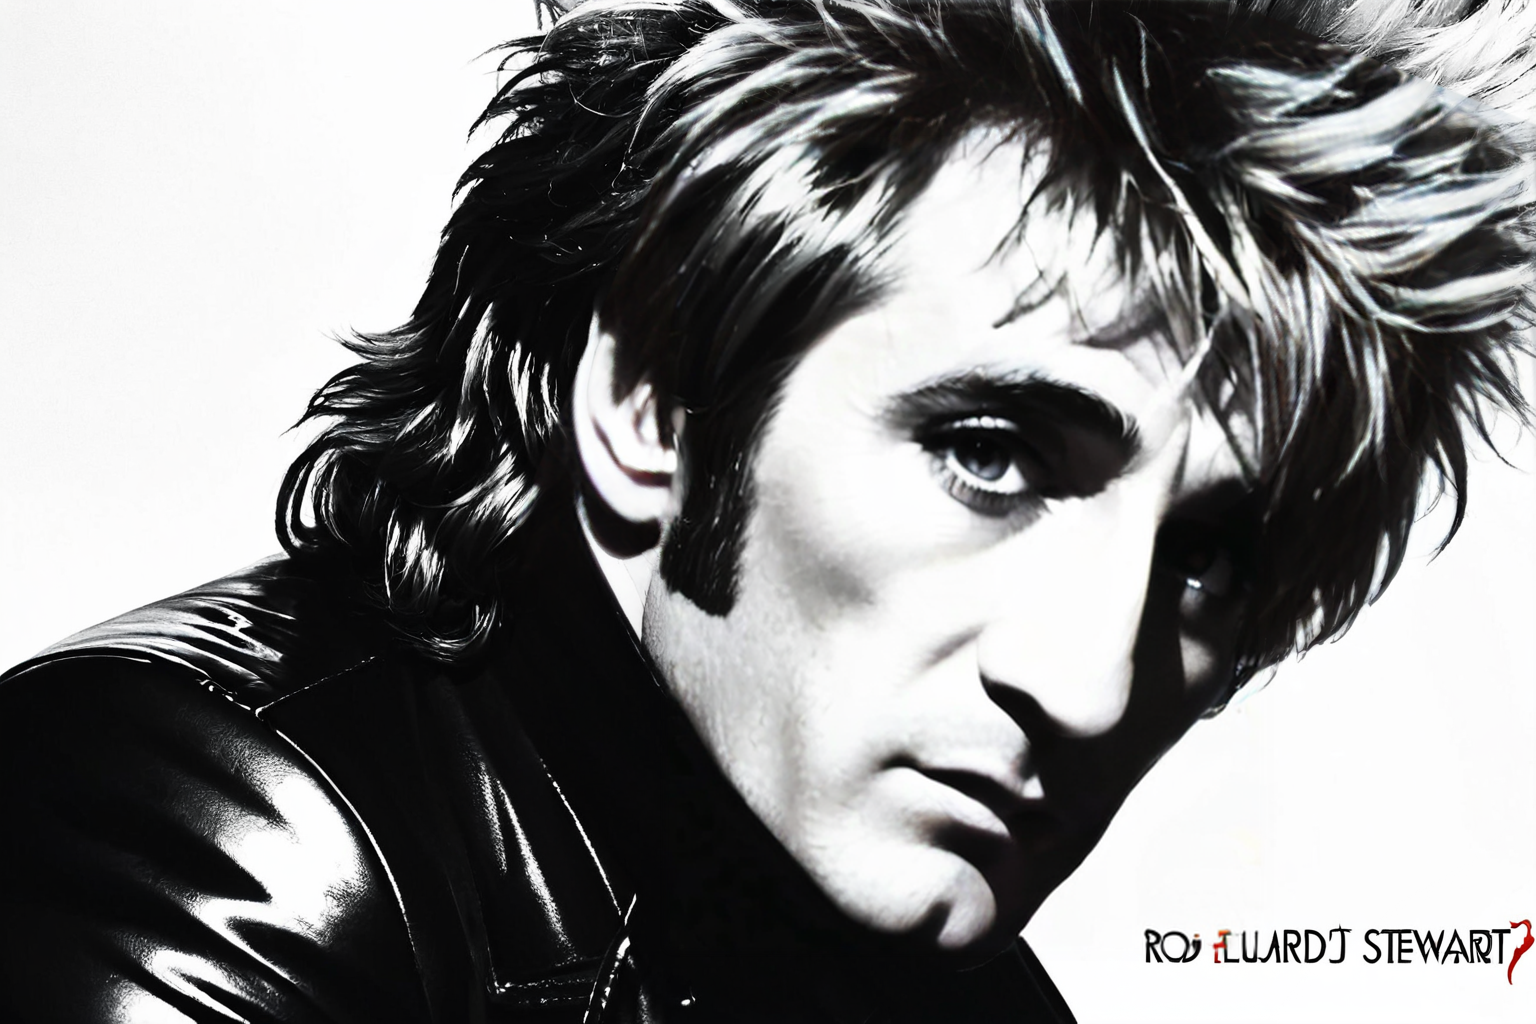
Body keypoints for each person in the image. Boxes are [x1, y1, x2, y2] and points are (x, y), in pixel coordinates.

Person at [1, 1, 1531, 1021]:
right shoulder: (213, 847)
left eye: (1205, 557)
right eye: (991, 455)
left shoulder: (936, 984)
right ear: (653, 403)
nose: (1088, 686)